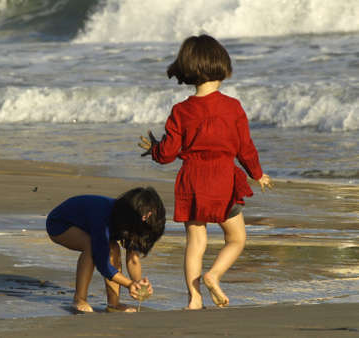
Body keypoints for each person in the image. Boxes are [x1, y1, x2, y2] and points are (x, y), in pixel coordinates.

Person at [139, 34, 272, 309]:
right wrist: (257, 174)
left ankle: (195, 299)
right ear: (221, 66)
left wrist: (153, 148)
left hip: (192, 180)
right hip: (223, 179)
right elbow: (244, 148)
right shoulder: (233, 107)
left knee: (196, 242)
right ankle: (214, 274)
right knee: (236, 238)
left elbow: (166, 155)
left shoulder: (180, 110)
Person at [46, 186, 166, 313]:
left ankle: (114, 304)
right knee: (91, 245)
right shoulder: (104, 218)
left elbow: (133, 257)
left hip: (87, 225)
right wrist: (129, 284)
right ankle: (79, 298)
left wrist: (138, 283)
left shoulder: (136, 219)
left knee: (113, 247)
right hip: (59, 223)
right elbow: (102, 264)